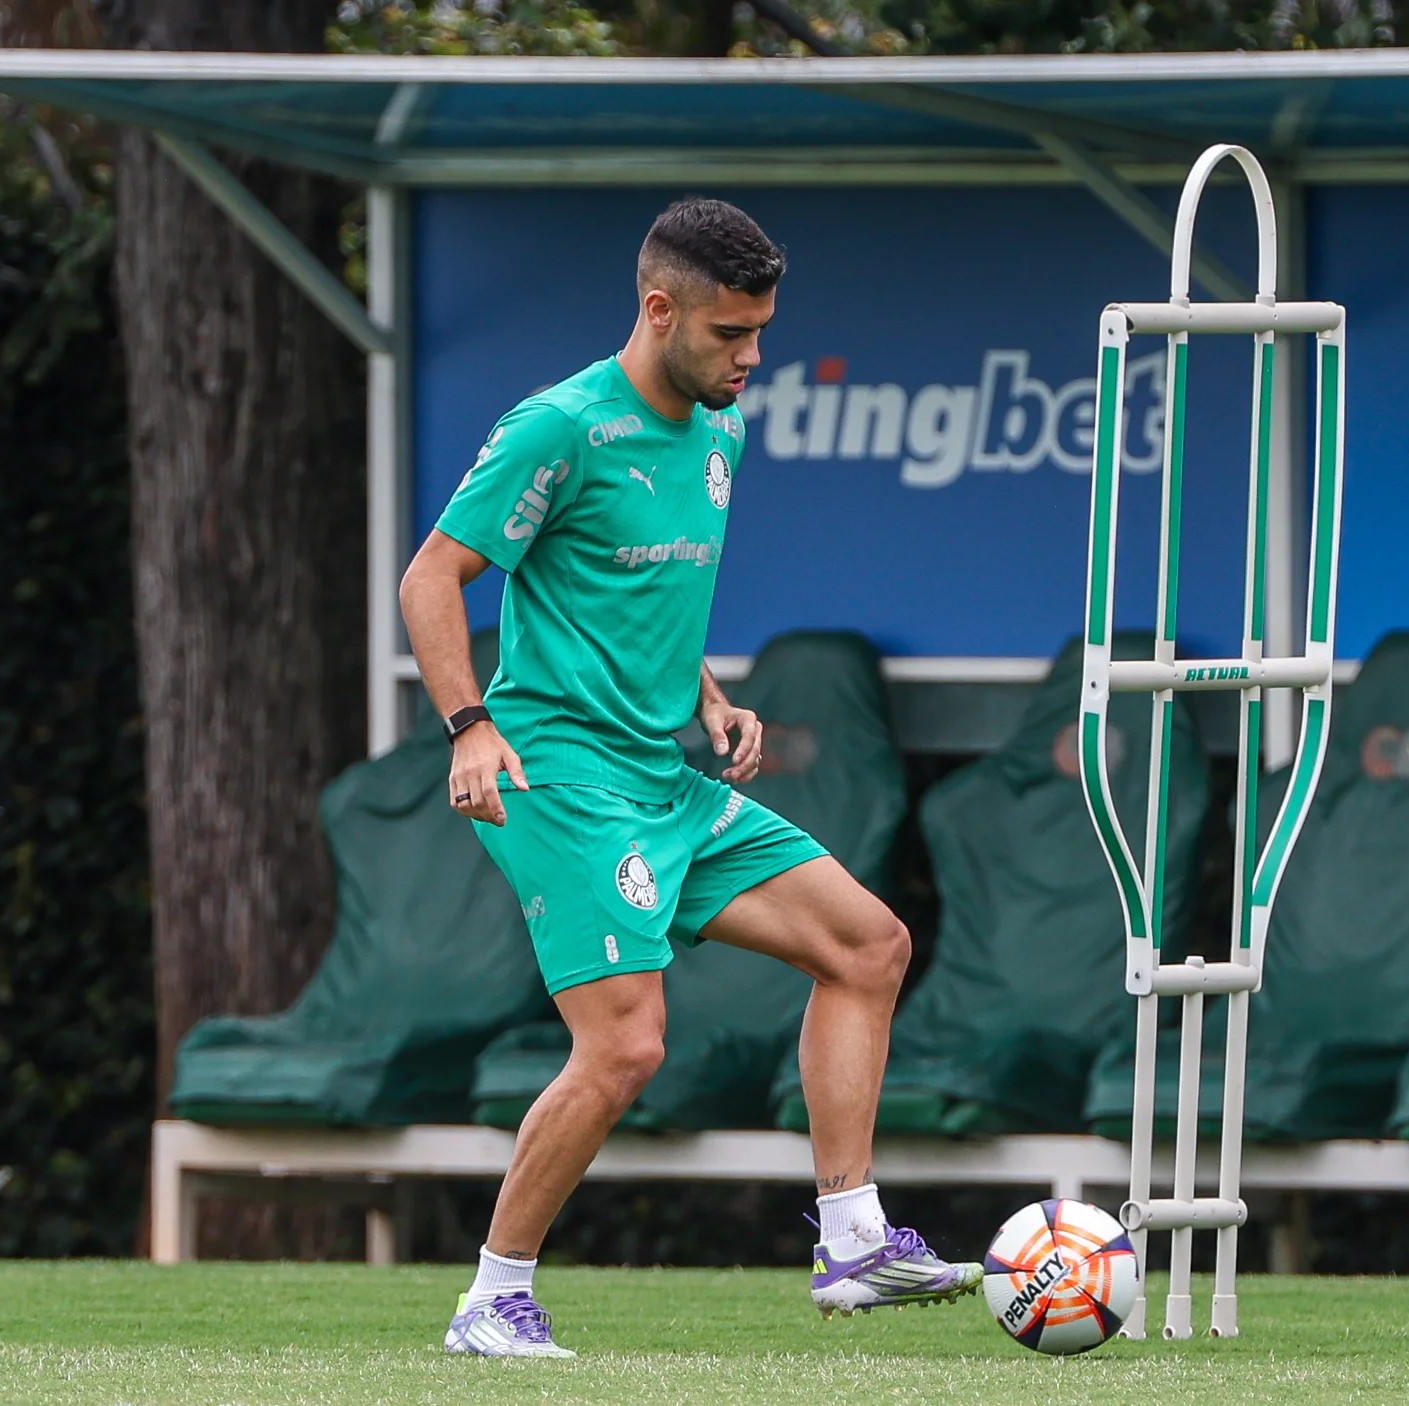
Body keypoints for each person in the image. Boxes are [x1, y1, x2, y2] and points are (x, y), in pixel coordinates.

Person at [399, 197, 980, 1359]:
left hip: (664, 774)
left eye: (761, 330)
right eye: (730, 333)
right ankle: (491, 1299)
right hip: (554, 772)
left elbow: (632, 597)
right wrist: (468, 726)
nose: (751, 357)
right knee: (625, 1046)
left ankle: (853, 1239)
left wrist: (705, 694)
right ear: (659, 309)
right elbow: (432, 577)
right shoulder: (557, 427)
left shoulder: (718, 430)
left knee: (868, 946)